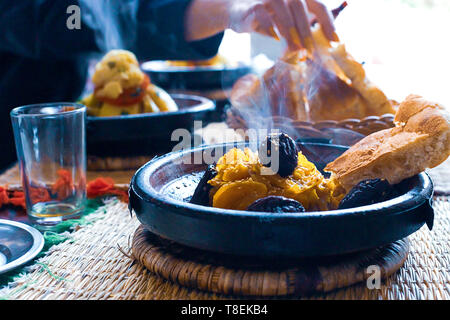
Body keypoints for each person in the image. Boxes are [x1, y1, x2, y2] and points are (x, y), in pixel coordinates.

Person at [0, 0, 336, 170]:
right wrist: (229, 10)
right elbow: (48, 17)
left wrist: (233, 11)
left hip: (70, 144)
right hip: (14, 154)